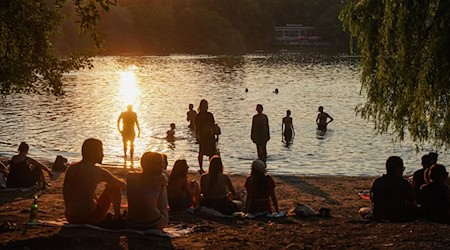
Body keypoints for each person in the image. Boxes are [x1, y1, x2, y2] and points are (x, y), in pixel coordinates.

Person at [63, 139, 126, 224]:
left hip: (70, 216)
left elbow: (67, 192)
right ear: (94, 153)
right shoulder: (98, 171)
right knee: (114, 186)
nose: (103, 155)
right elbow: (122, 185)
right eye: (101, 151)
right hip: (90, 217)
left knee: (86, 190)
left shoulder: (72, 168)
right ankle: (118, 216)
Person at [359, 156, 416, 222]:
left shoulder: (377, 181)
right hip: (400, 215)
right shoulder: (404, 183)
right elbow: (412, 203)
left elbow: (373, 202)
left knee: (362, 210)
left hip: (379, 215)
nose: (402, 172)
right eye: (402, 169)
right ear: (397, 169)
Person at [127, 151, 169, 230]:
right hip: (153, 223)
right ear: (149, 165)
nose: (161, 166)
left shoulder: (130, 177)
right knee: (162, 187)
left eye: (162, 163)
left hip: (132, 222)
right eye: (158, 163)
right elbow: (165, 178)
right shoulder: (161, 179)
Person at [195, 99, 217, 174]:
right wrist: (197, 137)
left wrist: (216, 134)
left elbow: (213, 125)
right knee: (202, 152)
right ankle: (201, 168)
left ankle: (209, 168)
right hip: (204, 136)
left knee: (210, 152)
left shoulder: (208, 115)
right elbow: (197, 128)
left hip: (209, 136)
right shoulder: (199, 116)